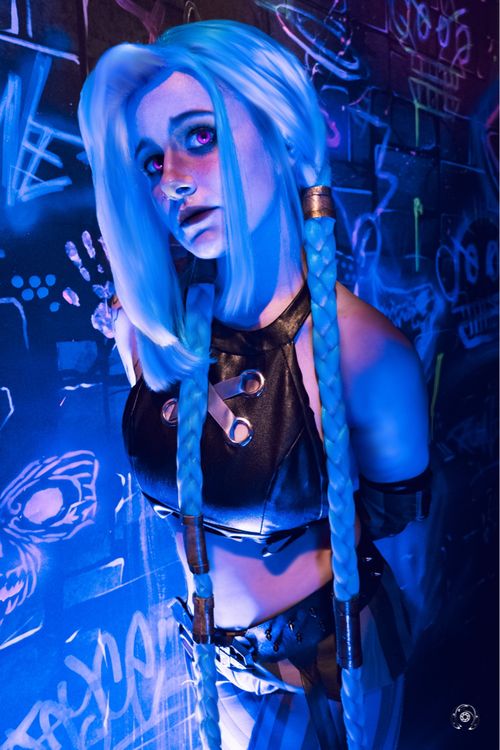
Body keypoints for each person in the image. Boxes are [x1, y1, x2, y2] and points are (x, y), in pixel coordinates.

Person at [78, 19, 431, 750]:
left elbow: (394, 513)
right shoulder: (157, 336)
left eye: (199, 136)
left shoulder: (362, 354)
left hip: (331, 679)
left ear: (283, 138)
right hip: (214, 673)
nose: (171, 180)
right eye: (151, 161)